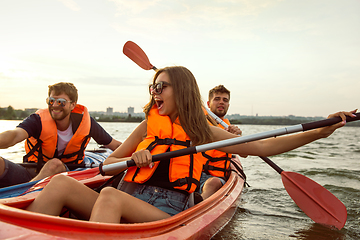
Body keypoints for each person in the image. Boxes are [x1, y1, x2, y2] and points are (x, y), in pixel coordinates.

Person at [26, 66, 355, 224]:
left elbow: (265, 146)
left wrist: (320, 131)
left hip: (166, 209)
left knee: (110, 197)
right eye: (153, 87)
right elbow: (106, 166)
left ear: (181, 90)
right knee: (57, 184)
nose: (155, 92)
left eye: (162, 87)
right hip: (129, 195)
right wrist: (133, 159)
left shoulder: (203, 131)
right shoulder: (147, 125)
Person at [0, 82, 122, 188]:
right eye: (51, 101)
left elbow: (115, 145)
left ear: (72, 105)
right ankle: (23, 192)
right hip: (33, 172)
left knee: (54, 164)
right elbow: (14, 135)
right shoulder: (37, 120)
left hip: (67, 176)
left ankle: (22, 196)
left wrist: (138, 152)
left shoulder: (86, 123)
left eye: (61, 102)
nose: (55, 105)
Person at [200, 85, 243, 200]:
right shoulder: (198, 123)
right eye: (217, 99)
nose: (221, 102)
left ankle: (197, 206)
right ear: (208, 104)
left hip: (215, 178)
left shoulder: (228, 128)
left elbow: (245, 153)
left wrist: (237, 137)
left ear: (228, 105)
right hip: (194, 173)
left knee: (213, 183)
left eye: (225, 100)